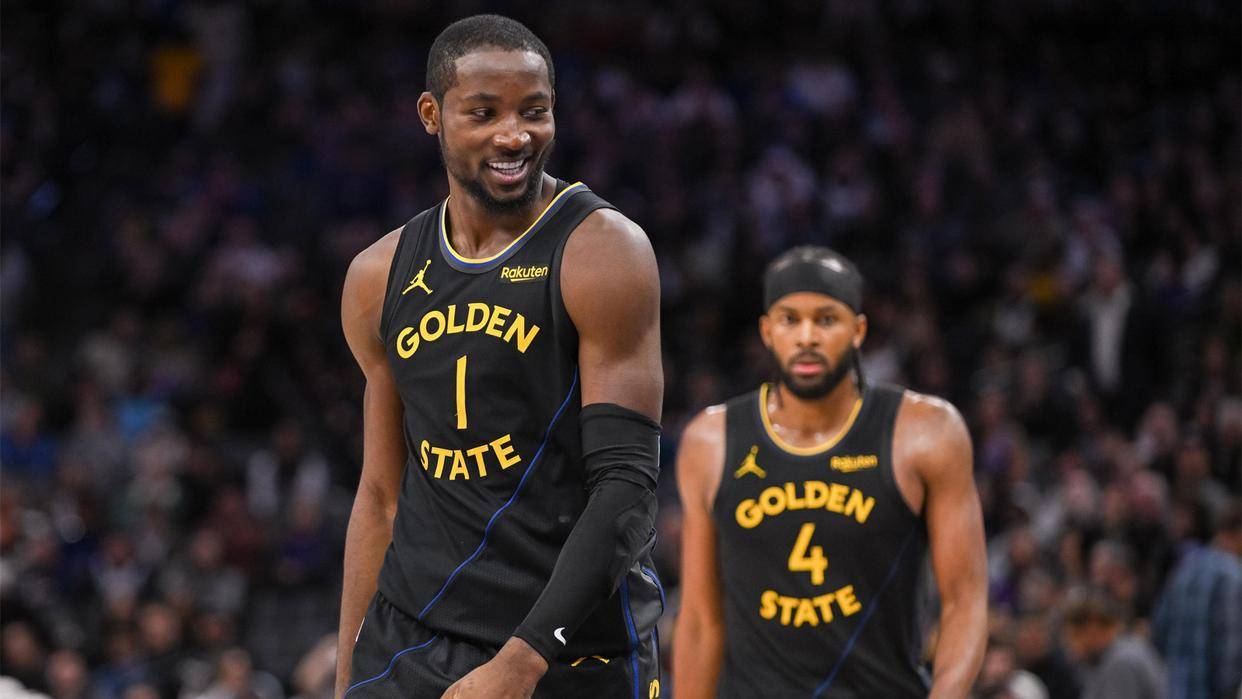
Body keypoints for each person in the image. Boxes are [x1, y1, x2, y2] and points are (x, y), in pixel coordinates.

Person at [335, 15, 663, 699]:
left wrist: (523, 659)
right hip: (409, 638)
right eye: (483, 113)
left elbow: (626, 488)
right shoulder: (378, 276)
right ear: (432, 115)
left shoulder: (603, 251)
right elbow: (381, 495)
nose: (513, 135)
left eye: (533, 112)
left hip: (569, 651)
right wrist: (346, 678)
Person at [672, 247, 987, 698]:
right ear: (766, 331)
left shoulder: (925, 432)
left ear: (858, 330)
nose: (807, 337)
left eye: (826, 320)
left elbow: (965, 600)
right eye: (789, 320)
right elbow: (701, 620)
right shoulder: (711, 441)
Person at [1152, 502, 1242, 699]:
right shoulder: (1232, 574)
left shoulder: (1184, 567)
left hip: (1176, 690)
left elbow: (1159, 629)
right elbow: (1231, 649)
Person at [1061, 588, 1166, 699]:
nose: (1071, 647)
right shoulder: (1121, 651)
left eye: (1075, 636)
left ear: (1093, 628)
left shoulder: (1121, 662)